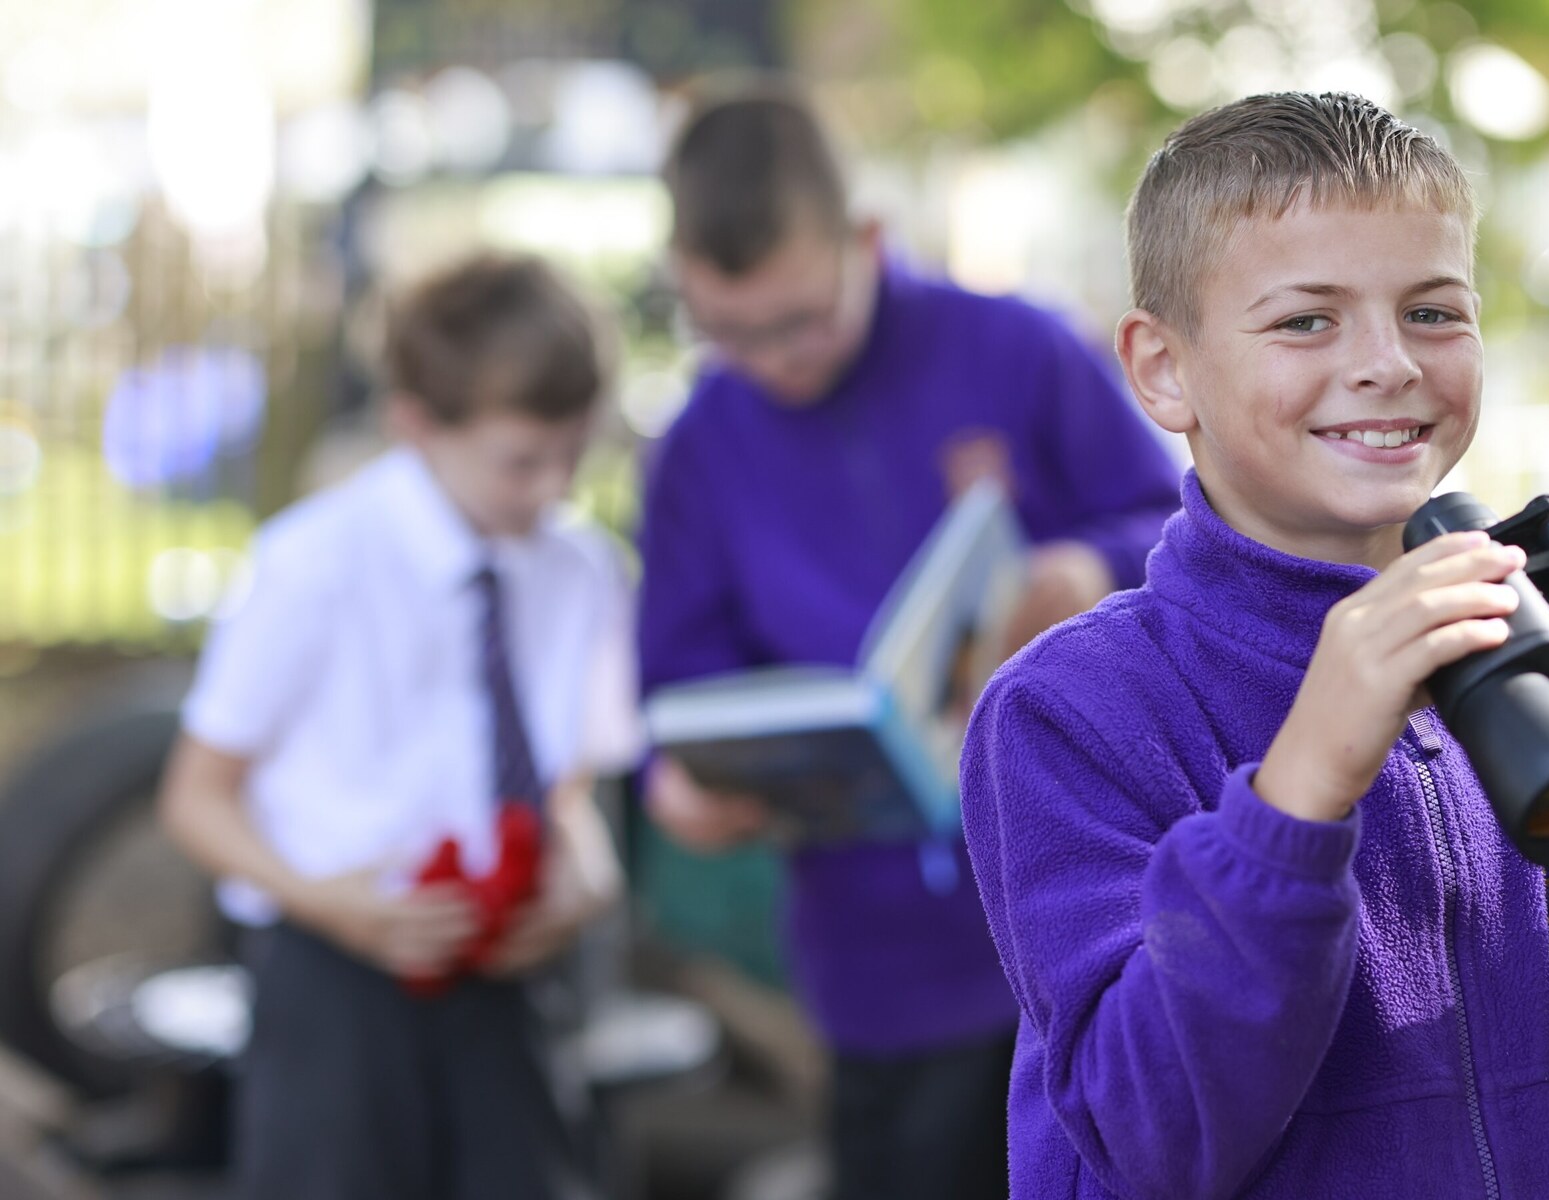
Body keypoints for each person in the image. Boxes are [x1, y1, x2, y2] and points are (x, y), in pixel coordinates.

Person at [958, 91, 1549, 1199]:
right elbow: (1155, 1139)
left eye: (1432, 312)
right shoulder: (1070, 710)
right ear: (1160, 368)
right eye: (1303, 320)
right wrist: (1299, 794)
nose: (1385, 362)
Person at [635, 81, 1183, 1200]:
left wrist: (1082, 567)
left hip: (1099, 896)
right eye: (728, 333)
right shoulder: (698, 444)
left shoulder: (1017, 347)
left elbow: (1181, 527)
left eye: (797, 320)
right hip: (873, 945)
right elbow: (676, 679)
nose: (772, 358)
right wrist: (677, 783)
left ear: (866, 240)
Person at [161, 253, 639, 1200]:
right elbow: (195, 798)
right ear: (415, 423)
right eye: (520, 461)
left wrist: (583, 874)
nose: (550, 487)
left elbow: (568, 791)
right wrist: (328, 901)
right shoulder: (313, 565)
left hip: (506, 976)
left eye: (572, 455)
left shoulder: (583, 572)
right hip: (333, 978)